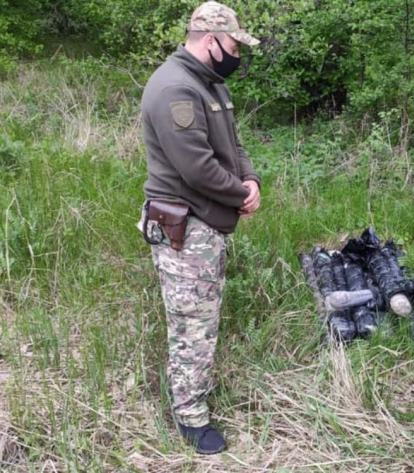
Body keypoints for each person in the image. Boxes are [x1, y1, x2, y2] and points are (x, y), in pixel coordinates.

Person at [138, 1, 261, 455]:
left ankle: (192, 398)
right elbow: (197, 168)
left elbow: (233, 144)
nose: (236, 55)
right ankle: (189, 416)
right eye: (233, 46)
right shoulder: (175, 88)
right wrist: (239, 194)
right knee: (192, 324)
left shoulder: (208, 82)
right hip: (185, 228)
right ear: (210, 41)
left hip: (205, 224)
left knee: (202, 318)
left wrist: (250, 180)